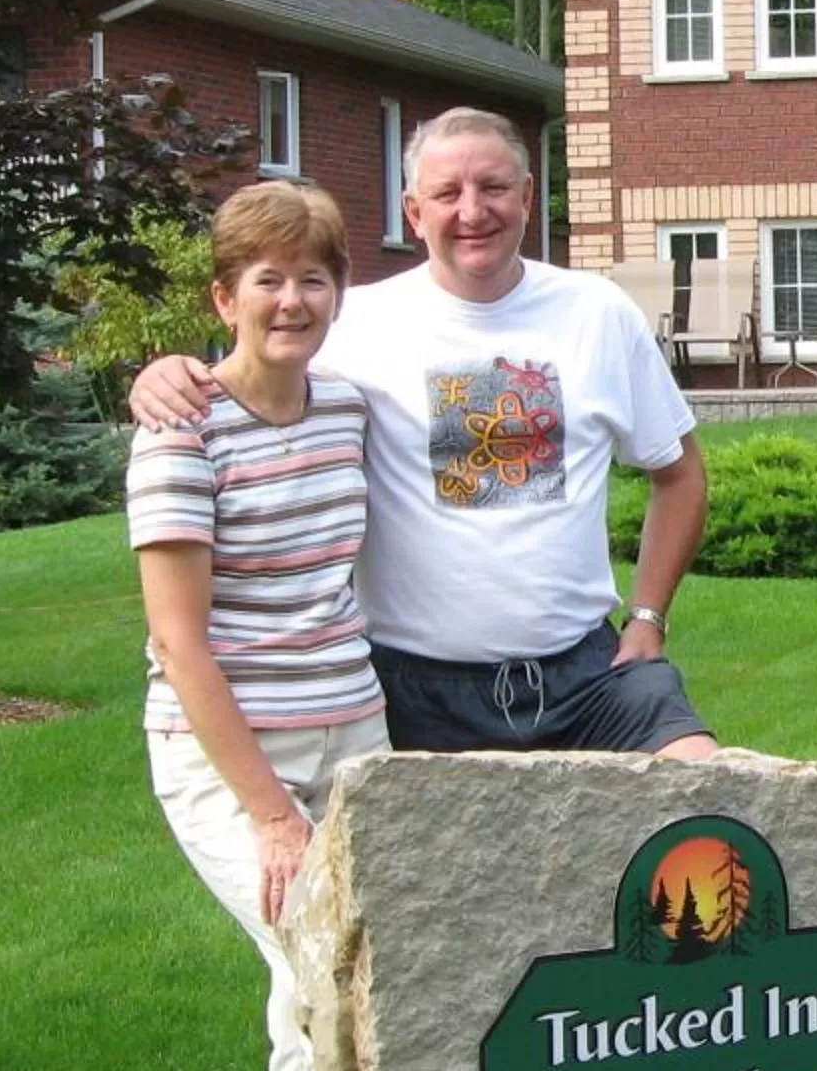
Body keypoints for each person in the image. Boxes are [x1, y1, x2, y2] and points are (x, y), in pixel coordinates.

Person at [133, 106, 716, 761]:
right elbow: (257, 375)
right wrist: (168, 373)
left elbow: (681, 474)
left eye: (493, 187)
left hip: (590, 677)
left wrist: (647, 619)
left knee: (705, 802)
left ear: (526, 197)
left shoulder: (599, 313)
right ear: (414, 212)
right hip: (411, 690)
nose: (473, 211)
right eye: (448, 194)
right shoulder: (355, 326)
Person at [128, 179, 387, 1071]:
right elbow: (182, 647)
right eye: (267, 280)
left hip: (355, 737)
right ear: (222, 296)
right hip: (229, 756)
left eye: (314, 277)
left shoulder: (346, 412)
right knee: (311, 974)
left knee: (351, 980)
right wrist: (272, 816)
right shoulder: (181, 440)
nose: (292, 300)